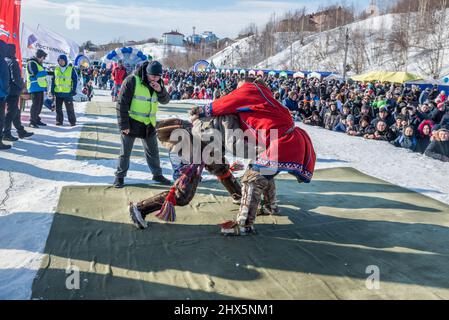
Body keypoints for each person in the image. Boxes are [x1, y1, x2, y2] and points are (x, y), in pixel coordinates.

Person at [191, 77, 316, 236]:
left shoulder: (253, 90)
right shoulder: (261, 101)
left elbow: (224, 103)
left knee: (252, 179)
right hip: (285, 140)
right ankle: (269, 205)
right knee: (262, 171)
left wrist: (200, 111)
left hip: (284, 141)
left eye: (239, 87)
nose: (237, 91)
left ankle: (244, 224)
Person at [128, 118, 243, 229]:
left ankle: (238, 195)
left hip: (201, 141)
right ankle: (139, 208)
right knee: (182, 194)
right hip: (187, 140)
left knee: (221, 167)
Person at [114, 60, 171, 188]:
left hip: (149, 123)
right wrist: (123, 125)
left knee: (153, 151)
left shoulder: (158, 83)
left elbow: (166, 100)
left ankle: (157, 174)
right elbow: (121, 104)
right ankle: (119, 176)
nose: (155, 79)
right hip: (131, 121)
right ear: (146, 73)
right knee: (125, 152)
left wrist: (160, 90)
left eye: (158, 76)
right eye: (153, 76)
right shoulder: (132, 81)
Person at [2, 44, 34, 142]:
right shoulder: (13, 62)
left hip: (5, 90)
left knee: (16, 111)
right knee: (11, 112)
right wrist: (22, 85)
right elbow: (15, 78)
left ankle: (20, 131)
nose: (15, 52)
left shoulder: (4, 61)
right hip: (13, 91)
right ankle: (6, 133)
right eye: (14, 50)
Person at [51, 54, 78, 126]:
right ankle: (59, 121)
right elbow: (53, 80)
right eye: (59, 61)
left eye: (63, 60)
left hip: (68, 93)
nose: (61, 62)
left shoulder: (71, 69)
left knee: (70, 109)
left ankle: (72, 122)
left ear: (65, 61)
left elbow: (75, 80)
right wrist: (52, 90)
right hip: (58, 92)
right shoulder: (56, 69)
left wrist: (74, 90)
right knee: (58, 109)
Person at [26, 49, 48, 128]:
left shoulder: (38, 63)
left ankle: (36, 119)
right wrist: (45, 72)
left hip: (40, 87)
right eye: (43, 58)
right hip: (34, 87)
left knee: (39, 104)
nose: (43, 59)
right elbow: (34, 74)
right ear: (40, 56)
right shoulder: (31, 63)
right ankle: (32, 122)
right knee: (35, 105)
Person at [0, 40, 11, 150]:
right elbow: (4, 80)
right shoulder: (2, 62)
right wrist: (6, 91)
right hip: (1, 95)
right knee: (0, 119)